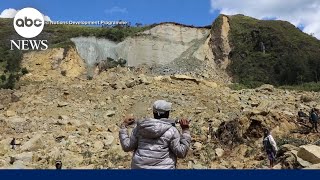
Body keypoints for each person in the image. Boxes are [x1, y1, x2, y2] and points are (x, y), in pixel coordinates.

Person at [119, 100, 191, 169]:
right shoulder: (172, 131)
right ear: (167, 113)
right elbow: (181, 152)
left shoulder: (140, 128)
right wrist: (185, 130)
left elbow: (127, 147)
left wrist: (123, 126)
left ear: (154, 112)